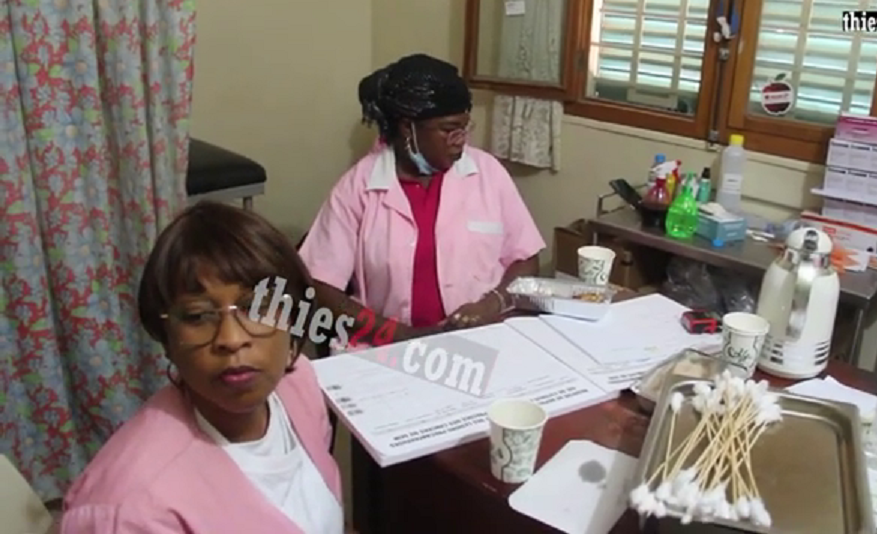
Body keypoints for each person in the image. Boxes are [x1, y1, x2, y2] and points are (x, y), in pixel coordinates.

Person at [60, 201, 346, 533]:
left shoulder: (300, 386)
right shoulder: (130, 509)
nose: (231, 338)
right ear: (167, 340)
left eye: (256, 308)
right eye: (197, 316)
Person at [299, 53, 545, 345]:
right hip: (390, 347)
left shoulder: (487, 173)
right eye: (448, 130)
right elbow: (322, 287)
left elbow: (526, 258)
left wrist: (491, 304)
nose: (460, 140)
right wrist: (401, 335)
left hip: (483, 339)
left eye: (464, 128)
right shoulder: (359, 187)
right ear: (408, 128)